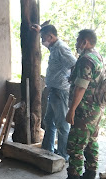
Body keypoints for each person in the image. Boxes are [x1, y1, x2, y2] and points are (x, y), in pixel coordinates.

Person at [53, 29, 105, 179]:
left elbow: (81, 87)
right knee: (91, 142)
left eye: (78, 40)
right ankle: (90, 177)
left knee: (75, 145)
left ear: (85, 42)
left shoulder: (85, 60)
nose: (76, 44)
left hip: (85, 110)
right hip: (96, 109)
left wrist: (71, 110)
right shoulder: (97, 56)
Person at [32, 24, 77, 160]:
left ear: (51, 37)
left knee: (62, 125)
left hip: (61, 91)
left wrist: (71, 80)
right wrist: (41, 31)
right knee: (49, 121)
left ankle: (63, 155)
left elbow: (74, 64)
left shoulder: (61, 48)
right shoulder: (54, 47)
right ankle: (47, 150)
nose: (42, 41)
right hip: (53, 90)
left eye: (44, 38)